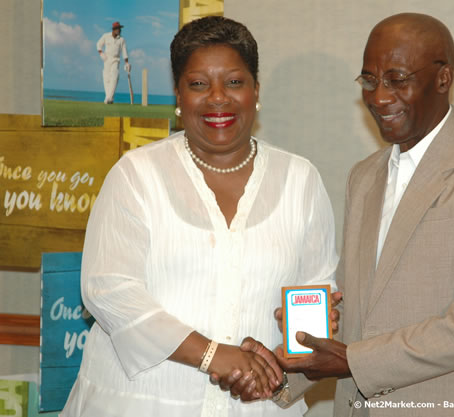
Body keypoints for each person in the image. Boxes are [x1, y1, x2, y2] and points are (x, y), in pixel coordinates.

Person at [61, 16, 337, 417]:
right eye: (198, 84)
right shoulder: (137, 175)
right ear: (178, 94)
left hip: (257, 405)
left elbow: (317, 288)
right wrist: (211, 355)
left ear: (256, 90)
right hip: (142, 401)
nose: (218, 98)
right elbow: (109, 291)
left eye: (235, 82)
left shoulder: (300, 179)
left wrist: (297, 344)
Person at [273, 13, 454, 417]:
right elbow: (360, 309)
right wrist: (294, 351)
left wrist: (355, 361)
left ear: (443, 79)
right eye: (369, 80)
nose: (379, 97)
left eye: (396, 79)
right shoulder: (363, 176)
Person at [96, 21, 131, 104]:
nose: (119, 31)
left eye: (120, 29)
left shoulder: (121, 39)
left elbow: (124, 51)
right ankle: (109, 98)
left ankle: (108, 98)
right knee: (106, 78)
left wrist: (126, 63)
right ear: (114, 29)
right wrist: (101, 53)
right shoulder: (106, 36)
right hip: (107, 59)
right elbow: (98, 44)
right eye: (118, 29)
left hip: (116, 59)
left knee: (114, 76)